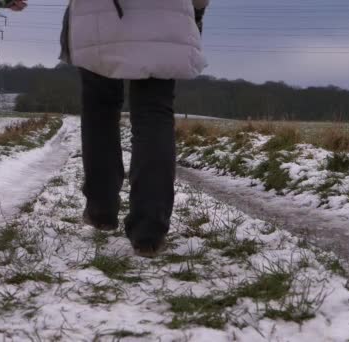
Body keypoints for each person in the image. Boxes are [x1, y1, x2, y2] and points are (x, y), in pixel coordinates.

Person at [11, 0, 209, 257]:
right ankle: (149, 230)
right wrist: (198, 8)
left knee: (99, 107)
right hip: (165, 13)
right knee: (154, 114)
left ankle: (101, 208)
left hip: (98, 15)